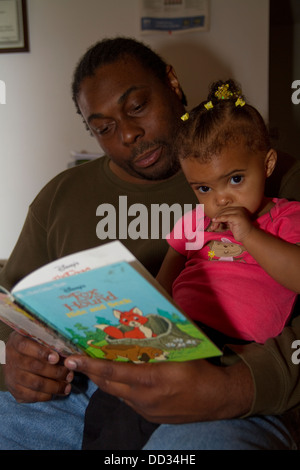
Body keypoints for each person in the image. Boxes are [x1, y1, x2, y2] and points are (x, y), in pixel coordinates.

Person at [0, 37, 298, 450]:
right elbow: (16, 312)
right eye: (103, 128)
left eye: (137, 106)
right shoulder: (59, 198)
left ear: (172, 83)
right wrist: (20, 364)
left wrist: (235, 385)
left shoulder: (277, 178)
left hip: (233, 382)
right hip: (92, 390)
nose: (128, 134)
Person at [156, 79, 300, 346]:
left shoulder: (287, 217)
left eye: (235, 180)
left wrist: (249, 234)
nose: (220, 199)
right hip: (181, 335)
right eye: (203, 188)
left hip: (239, 348)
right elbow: (161, 288)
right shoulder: (193, 223)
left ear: (267, 165)